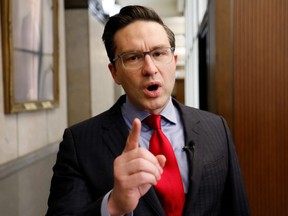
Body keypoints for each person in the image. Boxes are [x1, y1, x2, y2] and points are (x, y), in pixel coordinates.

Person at [46, 5, 249, 216]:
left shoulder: (216, 128)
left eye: (159, 53)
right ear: (115, 72)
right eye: (133, 57)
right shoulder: (80, 143)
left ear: (174, 61)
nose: (150, 69)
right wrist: (113, 205)